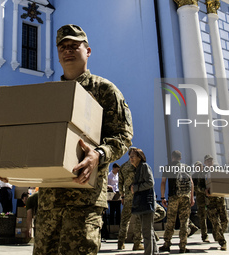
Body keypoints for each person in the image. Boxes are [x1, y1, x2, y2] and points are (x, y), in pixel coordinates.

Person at [32, 24, 133, 254]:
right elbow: (38, 138)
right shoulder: (48, 94)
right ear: (58, 55)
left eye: (74, 46)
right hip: (48, 203)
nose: (67, 50)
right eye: (63, 47)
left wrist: (98, 154)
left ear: (87, 51)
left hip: (84, 203)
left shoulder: (104, 90)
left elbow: (123, 136)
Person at [159, 150, 195, 253]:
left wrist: (162, 197)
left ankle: (167, 244)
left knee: (171, 221)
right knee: (184, 221)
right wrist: (192, 198)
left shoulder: (167, 167)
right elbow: (191, 183)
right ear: (180, 158)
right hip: (185, 197)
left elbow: (163, 182)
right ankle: (183, 246)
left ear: (172, 157)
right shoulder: (186, 167)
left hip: (173, 197)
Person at [130, 148, 158, 255]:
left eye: (133, 156)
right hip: (142, 202)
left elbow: (150, 182)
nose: (131, 159)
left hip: (147, 202)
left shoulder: (144, 167)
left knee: (147, 232)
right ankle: (154, 252)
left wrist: (136, 188)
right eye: (130, 157)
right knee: (148, 231)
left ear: (139, 157)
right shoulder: (137, 169)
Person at [117, 148, 143, 251]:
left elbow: (120, 183)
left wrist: (122, 196)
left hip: (127, 197)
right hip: (137, 196)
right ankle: (137, 243)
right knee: (138, 221)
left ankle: (120, 242)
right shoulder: (138, 166)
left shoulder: (123, 166)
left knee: (124, 221)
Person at [204, 155, 229, 251]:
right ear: (205, 163)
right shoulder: (203, 173)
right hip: (210, 202)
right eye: (207, 161)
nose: (209, 162)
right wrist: (205, 191)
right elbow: (199, 187)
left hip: (220, 200)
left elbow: (224, 182)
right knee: (216, 223)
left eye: (210, 160)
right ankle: (223, 242)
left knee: (225, 221)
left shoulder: (218, 171)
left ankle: (217, 234)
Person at [192, 161, 210, 242]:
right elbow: (194, 187)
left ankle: (218, 234)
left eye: (200, 166)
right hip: (200, 199)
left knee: (213, 216)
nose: (199, 167)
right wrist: (203, 190)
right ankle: (204, 235)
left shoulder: (207, 173)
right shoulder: (194, 176)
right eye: (197, 166)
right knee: (202, 217)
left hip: (209, 198)